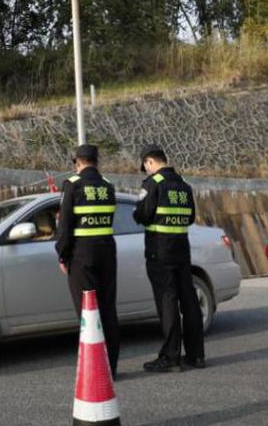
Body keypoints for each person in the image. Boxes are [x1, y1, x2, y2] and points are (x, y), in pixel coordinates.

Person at [133, 143, 205, 372]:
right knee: (189, 301)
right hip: (181, 249)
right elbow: (190, 217)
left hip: (159, 250)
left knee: (167, 302)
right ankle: (196, 355)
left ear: (149, 162)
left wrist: (138, 213)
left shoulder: (153, 183)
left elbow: (143, 214)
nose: (146, 169)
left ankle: (170, 357)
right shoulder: (184, 186)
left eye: (146, 165)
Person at [55, 143, 119, 376]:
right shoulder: (108, 185)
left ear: (78, 162)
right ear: (96, 161)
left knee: (88, 312)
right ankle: (111, 367)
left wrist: (62, 255)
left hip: (82, 256)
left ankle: (96, 370)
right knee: (107, 309)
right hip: (107, 253)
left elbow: (64, 226)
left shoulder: (72, 184)